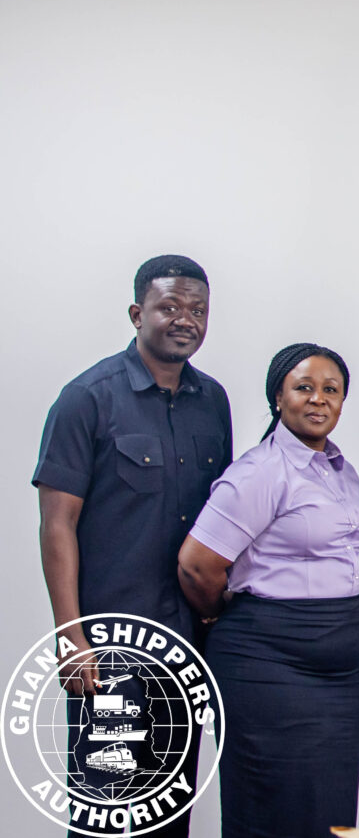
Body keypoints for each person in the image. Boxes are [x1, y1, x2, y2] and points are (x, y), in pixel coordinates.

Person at [34, 254, 229, 838]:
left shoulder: (213, 400)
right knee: (108, 810)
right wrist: (71, 637)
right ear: (136, 313)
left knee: (169, 812)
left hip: (186, 650)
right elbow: (57, 525)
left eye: (198, 309)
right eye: (169, 306)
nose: (185, 319)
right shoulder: (87, 398)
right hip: (111, 650)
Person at [177, 343, 359, 838]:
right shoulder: (260, 471)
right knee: (271, 815)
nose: (318, 399)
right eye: (304, 387)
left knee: (327, 815)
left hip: (339, 678)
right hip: (267, 670)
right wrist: (215, 615)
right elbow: (197, 565)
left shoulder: (341, 470)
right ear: (278, 398)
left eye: (331, 389)